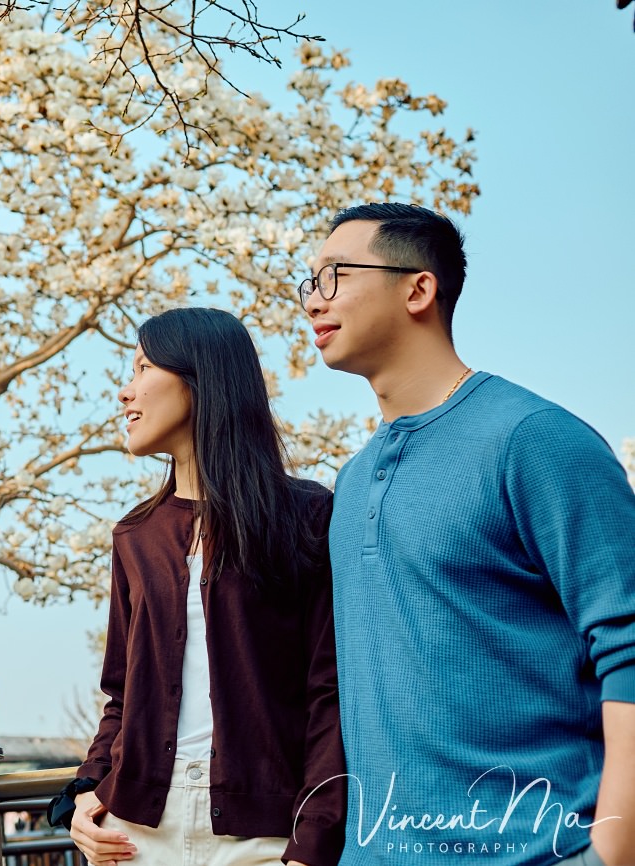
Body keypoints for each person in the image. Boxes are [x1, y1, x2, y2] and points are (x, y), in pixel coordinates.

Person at [300, 202, 635, 865]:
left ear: (418, 289)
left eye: (336, 274)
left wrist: (612, 851)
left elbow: (627, 645)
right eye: (309, 280)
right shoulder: (353, 480)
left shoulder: (534, 440)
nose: (314, 298)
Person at [54, 307, 346, 866]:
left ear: (200, 379)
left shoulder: (307, 515)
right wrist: (86, 791)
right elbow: (121, 694)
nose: (125, 391)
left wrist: (313, 841)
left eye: (143, 368)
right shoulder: (135, 536)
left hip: (263, 835)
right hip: (133, 835)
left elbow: (329, 691)